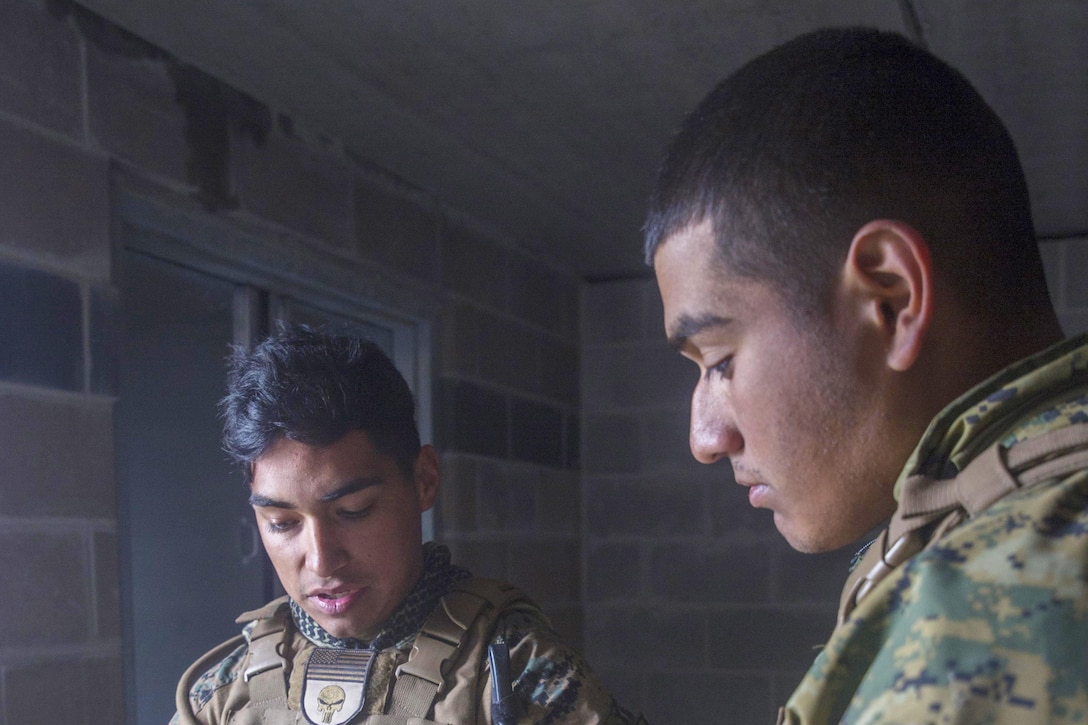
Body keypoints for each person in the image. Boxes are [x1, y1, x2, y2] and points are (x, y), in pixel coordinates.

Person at [644, 27, 1088, 724]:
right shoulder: (957, 526)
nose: (705, 436)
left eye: (722, 361)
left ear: (891, 298)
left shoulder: (980, 627)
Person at [171, 324, 645, 725]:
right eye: (282, 522)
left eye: (353, 511)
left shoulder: (516, 672)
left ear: (423, 480)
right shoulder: (225, 691)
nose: (321, 560)